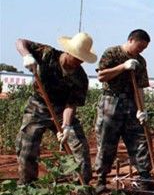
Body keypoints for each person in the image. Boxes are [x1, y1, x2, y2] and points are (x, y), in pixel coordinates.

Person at [15, 33, 97, 186]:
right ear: (68, 52)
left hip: (61, 110)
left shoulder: (80, 78)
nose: (79, 62)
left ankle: (82, 186)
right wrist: (26, 56)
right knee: (27, 147)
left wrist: (66, 126)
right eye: (77, 57)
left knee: (79, 146)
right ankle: (26, 188)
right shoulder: (47, 54)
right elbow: (21, 42)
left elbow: (71, 104)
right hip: (38, 106)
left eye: (82, 59)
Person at [94, 29, 152, 192]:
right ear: (131, 40)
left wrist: (142, 109)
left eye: (144, 49)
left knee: (139, 139)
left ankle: (144, 175)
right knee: (107, 140)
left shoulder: (140, 61)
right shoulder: (112, 53)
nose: (141, 51)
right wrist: (123, 67)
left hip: (131, 102)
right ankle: (101, 178)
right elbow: (102, 76)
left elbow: (139, 88)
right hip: (111, 101)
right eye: (139, 47)